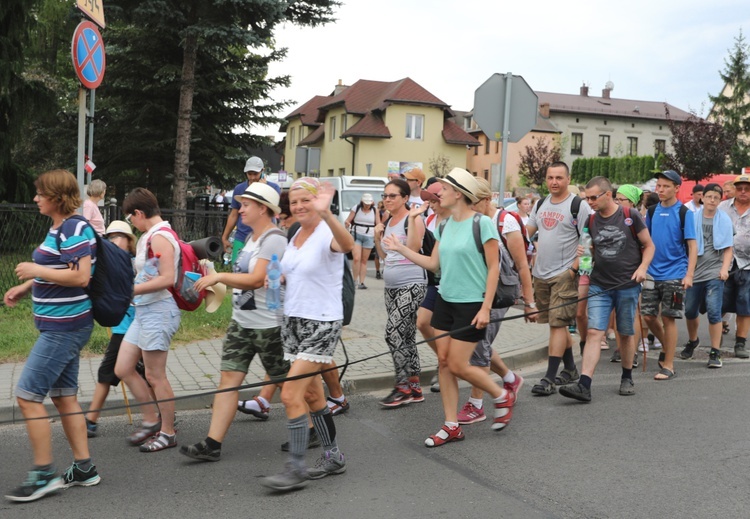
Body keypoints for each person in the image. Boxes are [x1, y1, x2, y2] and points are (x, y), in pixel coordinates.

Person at [383, 168, 514, 447]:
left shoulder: (483, 223)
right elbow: (433, 264)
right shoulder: (443, 225)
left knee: (457, 363)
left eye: (443, 189)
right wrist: (401, 249)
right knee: (443, 363)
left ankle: (500, 394)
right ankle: (451, 425)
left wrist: (485, 308)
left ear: (458, 193)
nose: (438, 193)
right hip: (446, 299)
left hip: (472, 302)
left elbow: (494, 268)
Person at [3, 169, 101, 502]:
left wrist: (34, 271)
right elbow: (60, 269)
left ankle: (44, 474)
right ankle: (84, 467)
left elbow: (81, 276)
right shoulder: (60, 227)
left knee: (28, 396)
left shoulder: (73, 227)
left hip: (65, 329)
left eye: (40, 194)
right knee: (63, 397)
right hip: (60, 326)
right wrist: (27, 285)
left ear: (56, 197)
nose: (35, 198)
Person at [180, 183, 290, 462]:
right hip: (242, 322)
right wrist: (212, 273)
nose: (240, 209)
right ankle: (212, 444)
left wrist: (220, 278)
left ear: (263, 208)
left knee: (289, 386)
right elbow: (243, 279)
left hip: (270, 325)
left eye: (246, 204)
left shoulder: (274, 239)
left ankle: (315, 428)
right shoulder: (252, 239)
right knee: (228, 381)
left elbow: (256, 279)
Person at [260, 178, 354, 491]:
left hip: (322, 322)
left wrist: (328, 215)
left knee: (290, 394)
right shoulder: (296, 233)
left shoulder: (328, 230)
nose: (299, 207)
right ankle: (334, 457)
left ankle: (296, 468)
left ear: (317, 201)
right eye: (294, 202)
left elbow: (348, 245)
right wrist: (279, 279)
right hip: (293, 321)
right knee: (312, 394)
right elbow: (294, 272)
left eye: (305, 201)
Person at [558, 177, 654, 402]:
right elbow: (588, 253)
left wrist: (642, 268)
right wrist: (583, 257)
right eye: (586, 198)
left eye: (593, 197)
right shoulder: (591, 221)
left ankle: (627, 376)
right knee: (594, 332)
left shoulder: (631, 216)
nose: (589, 202)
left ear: (607, 195)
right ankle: (584, 384)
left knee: (625, 332)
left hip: (627, 284)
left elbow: (649, 246)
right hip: (599, 285)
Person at [456, 177, 535, 425]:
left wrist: (529, 303)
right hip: (473, 291)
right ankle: (511, 379)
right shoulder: (470, 219)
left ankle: (476, 405)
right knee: (480, 344)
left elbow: (522, 265)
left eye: (473, 201)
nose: (468, 205)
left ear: (487, 199)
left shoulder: (506, 221)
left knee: (479, 345)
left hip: (499, 292)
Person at [115, 188, 181, 451]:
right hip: (144, 311)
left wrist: (129, 291)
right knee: (122, 368)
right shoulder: (148, 236)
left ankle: (168, 432)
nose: (132, 222)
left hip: (159, 311)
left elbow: (167, 279)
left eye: (131, 217)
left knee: (155, 376)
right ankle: (152, 418)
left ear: (139, 213)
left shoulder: (161, 237)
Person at [526, 161, 592, 395]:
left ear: (568, 179)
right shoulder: (541, 203)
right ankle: (571, 367)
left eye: (559, 178)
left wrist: (573, 270)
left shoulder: (578, 205)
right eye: (550, 177)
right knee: (557, 324)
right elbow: (528, 231)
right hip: (540, 273)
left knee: (557, 324)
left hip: (564, 275)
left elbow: (588, 240)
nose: (554, 182)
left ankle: (549, 378)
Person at [84, 220, 151, 437]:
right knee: (143, 373)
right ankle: (160, 413)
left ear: (129, 241)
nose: (113, 241)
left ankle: (90, 420)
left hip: (130, 326)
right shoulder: (109, 265)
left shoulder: (131, 264)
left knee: (108, 372)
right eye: (110, 238)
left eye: (118, 237)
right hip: (122, 327)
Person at [373, 179, 428, 407]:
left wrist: (414, 220)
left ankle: (402, 386)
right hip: (391, 287)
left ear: (405, 198)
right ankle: (415, 387)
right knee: (405, 335)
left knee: (392, 332)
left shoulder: (413, 218)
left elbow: (414, 249)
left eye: (392, 196)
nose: (387, 199)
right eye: (385, 196)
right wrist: (377, 236)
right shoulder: (388, 221)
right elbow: (385, 256)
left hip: (413, 283)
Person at [642, 170, 697, 380]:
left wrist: (689, 274)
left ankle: (669, 364)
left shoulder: (685, 213)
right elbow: (645, 242)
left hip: (674, 273)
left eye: (666, 186)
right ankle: (668, 346)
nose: (661, 190)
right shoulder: (652, 211)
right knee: (647, 315)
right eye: (659, 186)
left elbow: (692, 246)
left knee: (668, 318)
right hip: (651, 273)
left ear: (676, 188)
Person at [679, 183, 734, 368]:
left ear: (720, 200)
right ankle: (693, 340)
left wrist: (725, 269)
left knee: (714, 312)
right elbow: (685, 245)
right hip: (694, 272)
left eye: (716, 198)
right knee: (690, 311)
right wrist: (687, 272)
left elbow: (728, 249)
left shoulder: (724, 219)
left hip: (714, 272)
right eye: (709, 196)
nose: (712, 200)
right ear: (702, 198)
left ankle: (715, 351)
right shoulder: (692, 218)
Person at [413, 182, 449, 393]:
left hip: (454, 282)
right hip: (434, 280)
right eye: (429, 200)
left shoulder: (457, 220)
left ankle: (445, 365)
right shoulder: (429, 219)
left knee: (469, 342)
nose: (431, 204)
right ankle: (444, 360)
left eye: (434, 200)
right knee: (423, 322)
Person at [221, 156, 280, 264]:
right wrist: (225, 237)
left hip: (264, 238)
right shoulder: (239, 188)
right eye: (249, 173)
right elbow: (234, 214)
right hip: (241, 237)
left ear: (262, 171)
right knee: (238, 271)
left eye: (255, 174)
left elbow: (272, 212)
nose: (252, 177)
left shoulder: (273, 188)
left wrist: (262, 190)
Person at [721, 173, 750, 359]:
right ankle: (716, 340)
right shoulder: (723, 207)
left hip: (748, 264)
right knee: (718, 303)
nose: (743, 191)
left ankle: (740, 342)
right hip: (724, 263)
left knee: (744, 304)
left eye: (747, 189)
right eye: (739, 188)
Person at [345, 193, 380, 289]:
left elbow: (378, 223)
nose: (367, 205)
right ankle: (354, 280)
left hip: (369, 236)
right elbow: (348, 220)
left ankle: (362, 282)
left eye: (369, 203)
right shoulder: (356, 208)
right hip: (356, 235)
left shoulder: (375, 210)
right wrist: (347, 223)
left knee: (364, 261)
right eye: (365, 203)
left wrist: (378, 235)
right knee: (356, 258)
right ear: (362, 202)